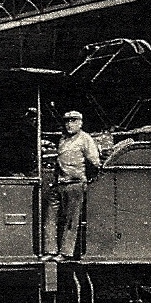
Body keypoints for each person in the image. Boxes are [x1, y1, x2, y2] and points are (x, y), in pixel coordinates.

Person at [43, 110, 101, 260]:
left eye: (73, 121)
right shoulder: (63, 139)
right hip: (59, 183)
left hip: (75, 184)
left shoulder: (85, 139)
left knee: (71, 220)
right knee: (51, 217)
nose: (69, 124)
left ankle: (66, 253)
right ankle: (50, 251)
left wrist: (85, 179)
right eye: (67, 121)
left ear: (80, 123)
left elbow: (94, 162)